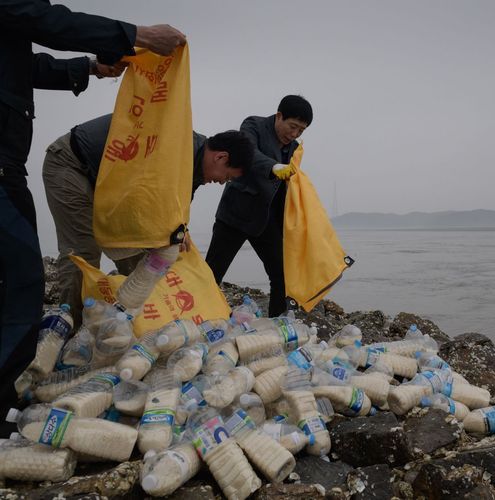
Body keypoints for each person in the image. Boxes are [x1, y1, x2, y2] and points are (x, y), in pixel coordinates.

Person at [0, 0, 186, 436]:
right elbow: (36, 18)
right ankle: (3, 399)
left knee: (14, 276)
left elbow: (20, 63)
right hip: (14, 164)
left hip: (10, 160)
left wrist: (87, 68)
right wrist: (136, 35)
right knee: (24, 278)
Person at [42, 113, 255, 320]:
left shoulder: (195, 168)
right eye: (226, 177)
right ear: (221, 157)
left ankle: (132, 319)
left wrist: (180, 229)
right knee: (82, 251)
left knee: (147, 253)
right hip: (73, 164)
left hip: (106, 181)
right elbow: (142, 199)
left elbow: (174, 210)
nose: (220, 183)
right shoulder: (175, 148)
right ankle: (69, 326)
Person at [206, 95, 313, 317]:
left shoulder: (294, 148)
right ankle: (197, 317)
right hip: (236, 215)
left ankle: (276, 324)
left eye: (301, 131)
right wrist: (273, 166)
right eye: (292, 126)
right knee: (211, 274)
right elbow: (249, 154)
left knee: (281, 276)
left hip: (267, 221)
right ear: (279, 116)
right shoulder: (253, 125)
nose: (294, 134)